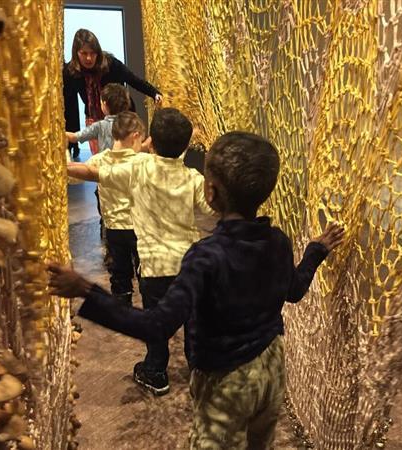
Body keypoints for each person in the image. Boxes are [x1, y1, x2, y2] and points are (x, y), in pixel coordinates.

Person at [48, 131, 344, 448]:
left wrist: (85, 290)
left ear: (211, 192)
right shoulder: (278, 242)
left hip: (227, 382)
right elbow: (295, 290)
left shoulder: (206, 257)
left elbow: (157, 325)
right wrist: (315, 251)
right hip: (272, 367)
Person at [65, 107, 216, 396]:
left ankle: (157, 371)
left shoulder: (138, 167)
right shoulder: (194, 178)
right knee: (194, 322)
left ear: (152, 141)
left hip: (155, 267)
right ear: (185, 146)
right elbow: (212, 211)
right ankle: (199, 371)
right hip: (190, 265)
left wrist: (53, 165)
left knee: (157, 323)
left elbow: (92, 172)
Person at [68, 112, 147, 306]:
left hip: (113, 230)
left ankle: (122, 313)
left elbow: (75, 177)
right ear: (135, 136)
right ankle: (150, 316)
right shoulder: (142, 161)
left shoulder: (99, 160)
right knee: (146, 274)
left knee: (119, 277)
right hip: (140, 229)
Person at [64, 28, 163, 158]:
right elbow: (69, 105)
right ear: (76, 53)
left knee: (128, 156)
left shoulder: (110, 64)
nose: (89, 58)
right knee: (103, 158)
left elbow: (133, 79)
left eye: (93, 53)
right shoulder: (71, 71)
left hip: (122, 117)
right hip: (95, 117)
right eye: (84, 53)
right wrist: (70, 143)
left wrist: (154, 93)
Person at [66, 83, 131, 154]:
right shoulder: (131, 123)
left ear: (104, 105)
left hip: (106, 163)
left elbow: (75, 137)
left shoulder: (100, 126)